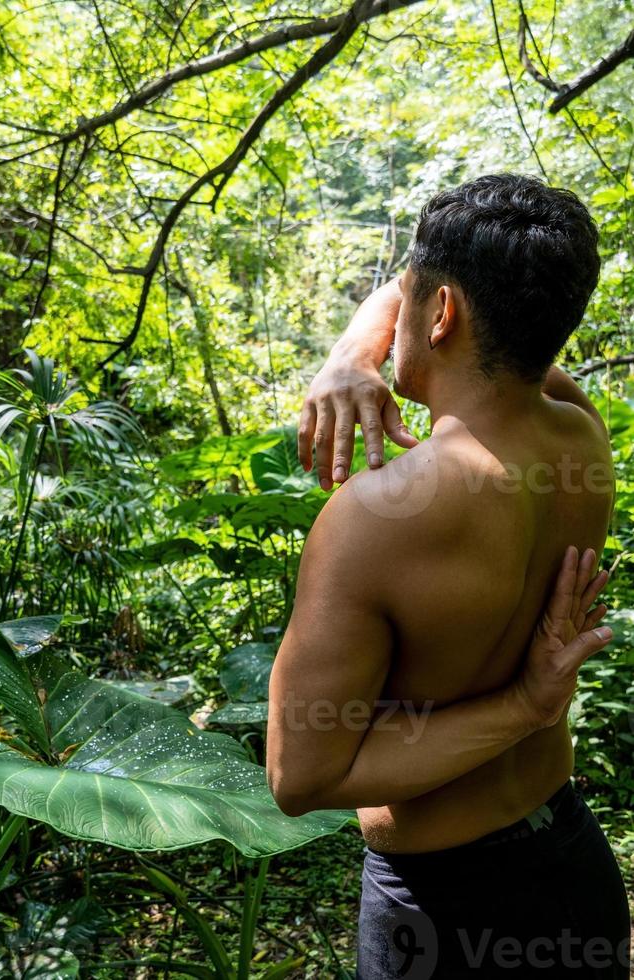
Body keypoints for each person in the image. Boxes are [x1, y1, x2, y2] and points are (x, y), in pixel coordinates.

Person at [266, 174, 631, 978]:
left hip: (440, 920)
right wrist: (354, 351)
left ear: (443, 314)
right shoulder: (581, 439)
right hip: (573, 868)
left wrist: (524, 706)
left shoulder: (374, 519)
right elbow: (428, 294)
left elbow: (301, 777)